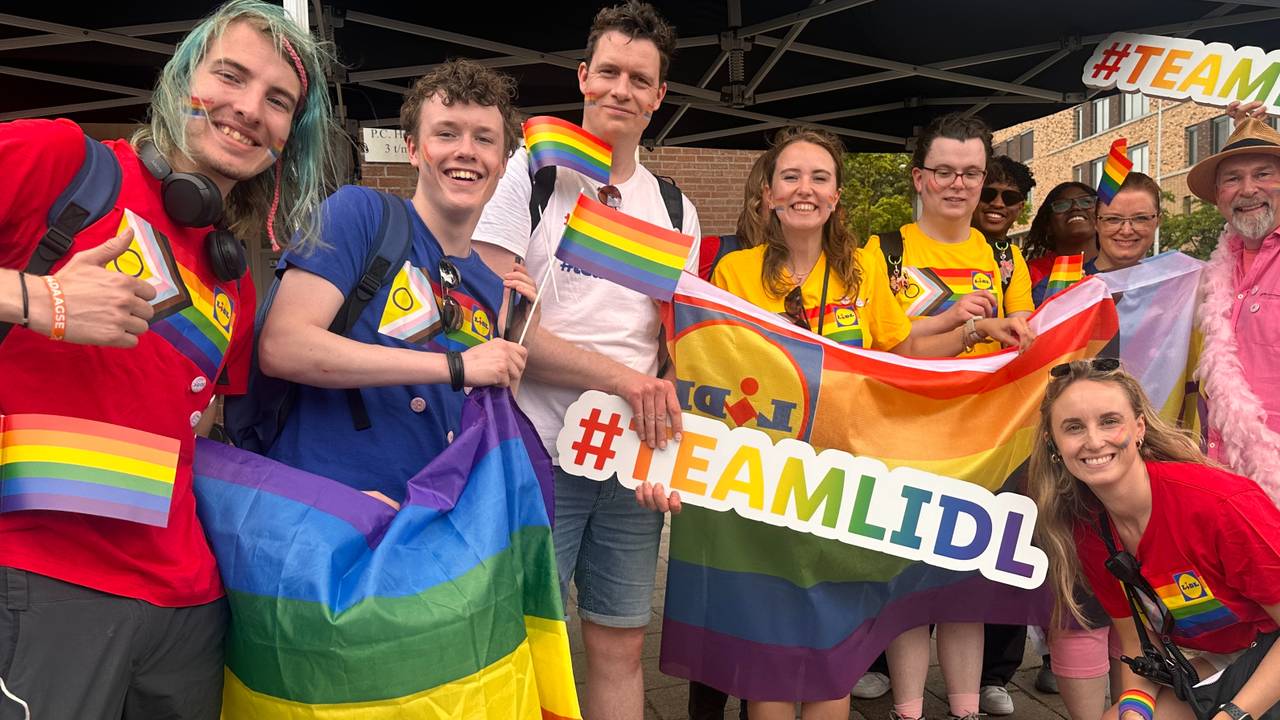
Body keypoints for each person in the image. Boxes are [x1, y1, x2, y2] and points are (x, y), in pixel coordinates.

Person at [0, 2, 336, 716]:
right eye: (230, 75)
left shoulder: (234, 278)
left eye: (278, 100)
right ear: (181, 78)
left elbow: (202, 441)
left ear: (289, 137)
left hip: (187, 609)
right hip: (46, 584)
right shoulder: (64, 164)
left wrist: (344, 515)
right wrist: (38, 300)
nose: (249, 109)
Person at [641, 125, 1034, 720]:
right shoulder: (734, 275)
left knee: (832, 666)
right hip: (763, 489)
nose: (805, 189)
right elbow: (707, 374)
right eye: (791, 177)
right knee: (769, 668)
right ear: (768, 194)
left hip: (842, 487)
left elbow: (899, 354)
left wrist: (977, 331)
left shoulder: (860, 272)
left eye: (819, 178)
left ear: (835, 196)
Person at [470, 4, 701, 718]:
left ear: (659, 96)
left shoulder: (673, 207)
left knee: (619, 644)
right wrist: (631, 383)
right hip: (537, 449)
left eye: (640, 78)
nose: (621, 91)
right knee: (521, 645)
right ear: (583, 77)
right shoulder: (528, 176)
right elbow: (500, 333)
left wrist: (667, 422)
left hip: (627, 460)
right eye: (608, 72)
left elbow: (671, 345)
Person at [256, 61, 534, 507]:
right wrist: (456, 366)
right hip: (325, 518)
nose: (466, 150)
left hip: (424, 532)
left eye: (484, 139)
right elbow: (282, 347)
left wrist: (520, 338)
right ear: (413, 148)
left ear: (502, 163)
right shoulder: (360, 214)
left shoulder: (489, 285)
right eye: (446, 134)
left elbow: (482, 424)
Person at [861, 112, 1033, 720]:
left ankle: (964, 710)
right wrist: (968, 327)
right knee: (906, 589)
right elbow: (880, 351)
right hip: (905, 440)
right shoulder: (880, 253)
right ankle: (908, 709)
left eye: (971, 173)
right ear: (919, 177)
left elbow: (1024, 348)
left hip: (985, 444)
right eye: (944, 172)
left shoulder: (1006, 260)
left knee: (967, 588)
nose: (957, 185)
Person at [1028, 359, 1280, 720]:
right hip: (1220, 660)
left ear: (1140, 427)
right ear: (1055, 445)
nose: (1094, 440)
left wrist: (1234, 716)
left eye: (1109, 421)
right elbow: (1139, 646)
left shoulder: (1219, 506)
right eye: (1074, 428)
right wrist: (1134, 710)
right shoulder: (1088, 530)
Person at [970, 153, 1038, 717]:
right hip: (921, 417)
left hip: (999, 423)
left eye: (1008, 197)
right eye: (987, 191)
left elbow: (1026, 337)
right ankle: (883, 662)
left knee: (1005, 540)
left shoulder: (1013, 260)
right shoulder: (896, 247)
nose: (995, 204)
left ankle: (996, 672)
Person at [1186, 116, 1280, 490]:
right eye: (1232, 179)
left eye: (1263, 174)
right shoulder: (1213, 273)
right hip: (1223, 481)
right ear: (1219, 195)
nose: (1247, 189)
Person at [1025, 182, 1100, 305]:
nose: (1075, 207)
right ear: (1048, 226)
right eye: (1061, 205)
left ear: (1101, 216)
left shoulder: (1117, 264)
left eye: (1086, 202)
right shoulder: (1029, 273)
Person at [1093, 173, 1162, 273]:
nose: (1126, 231)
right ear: (1095, 222)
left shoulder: (1180, 284)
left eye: (1140, 218)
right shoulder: (1069, 284)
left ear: (1158, 221)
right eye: (1113, 219)